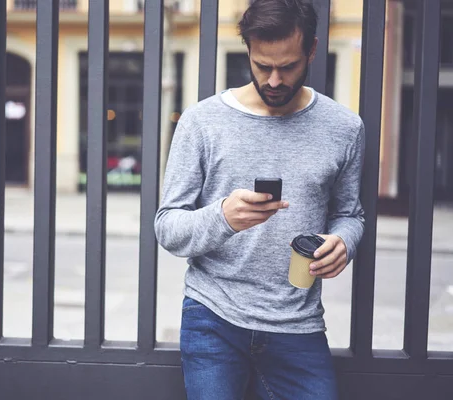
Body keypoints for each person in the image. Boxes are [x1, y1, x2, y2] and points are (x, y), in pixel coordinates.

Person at [154, 0, 365, 399]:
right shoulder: (201, 122)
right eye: (261, 65)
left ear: (312, 50)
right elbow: (167, 227)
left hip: (297, 325)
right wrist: (223, 217)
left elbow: (350, 214)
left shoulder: (344, 127)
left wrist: (344, 242)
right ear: (248, 51)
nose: (273, 80)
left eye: (287, 67)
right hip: (212, 318)